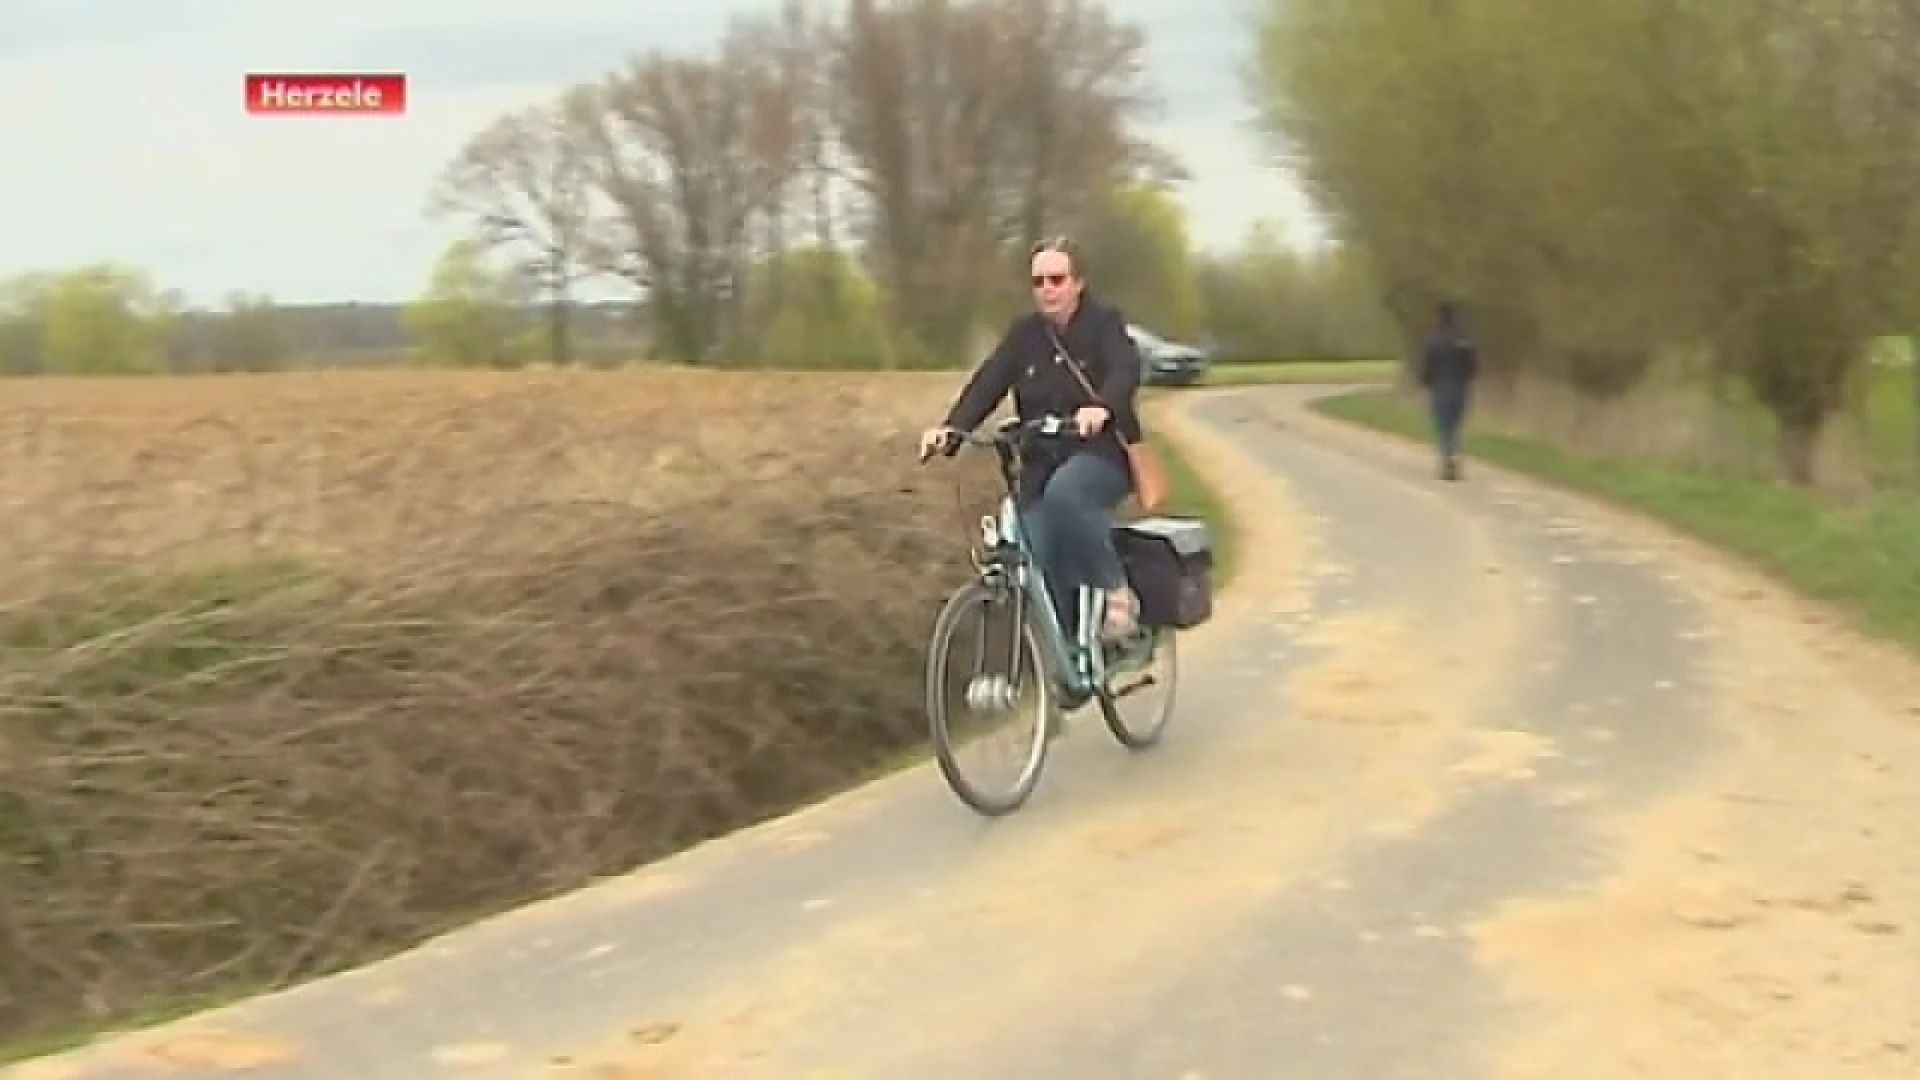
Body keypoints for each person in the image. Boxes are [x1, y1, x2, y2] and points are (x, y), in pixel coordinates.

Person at [918, 237, 1143, 641]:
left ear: (1078, 283)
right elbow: (989, 381)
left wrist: (1103, 407)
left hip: (1102, 454)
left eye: (1057, 279)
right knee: (1031, 546)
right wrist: (951, 430)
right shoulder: (1025, 335)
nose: (1047, 289)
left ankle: (1117, 593)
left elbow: (1126, 367)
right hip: (1043, 460)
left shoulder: (1104, 323)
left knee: (1068, 496)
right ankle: (1068, 650)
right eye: (1038, 282)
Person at [1418, 301, 1478, 481]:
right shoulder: (1464, 340)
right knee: (1456, 425)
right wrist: (1465, 380)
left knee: (1443, 426)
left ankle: (1447, 457)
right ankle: (1454, 456)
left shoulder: (1433, 341)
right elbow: (1473, 368)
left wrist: (1427, 383)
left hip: (1440, 387)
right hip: (1460, 388)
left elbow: (1426, 370)